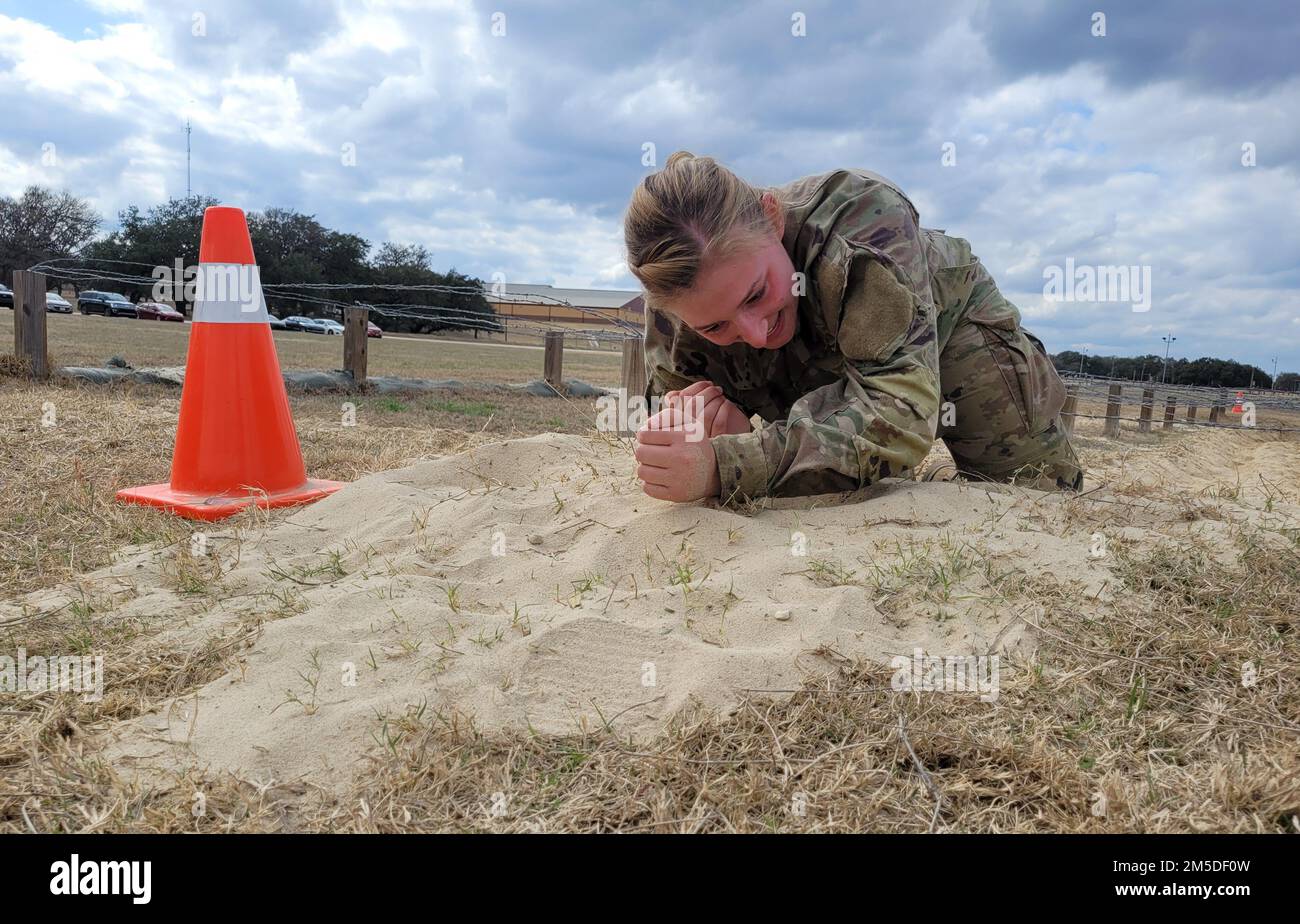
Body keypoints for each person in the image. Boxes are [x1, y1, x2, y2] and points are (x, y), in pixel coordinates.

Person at [624, 151, 1083, 504]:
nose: (756, 334)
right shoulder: (672, 300)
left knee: (1036, 496)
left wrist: (729, 465)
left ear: (771, 217)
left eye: (755, 294)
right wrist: (711, 429)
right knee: (861, 489)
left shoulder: (862, 224)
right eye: (716, 325)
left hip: (949, 334)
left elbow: (901, 411)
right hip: (818, 368)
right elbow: (669, 416)